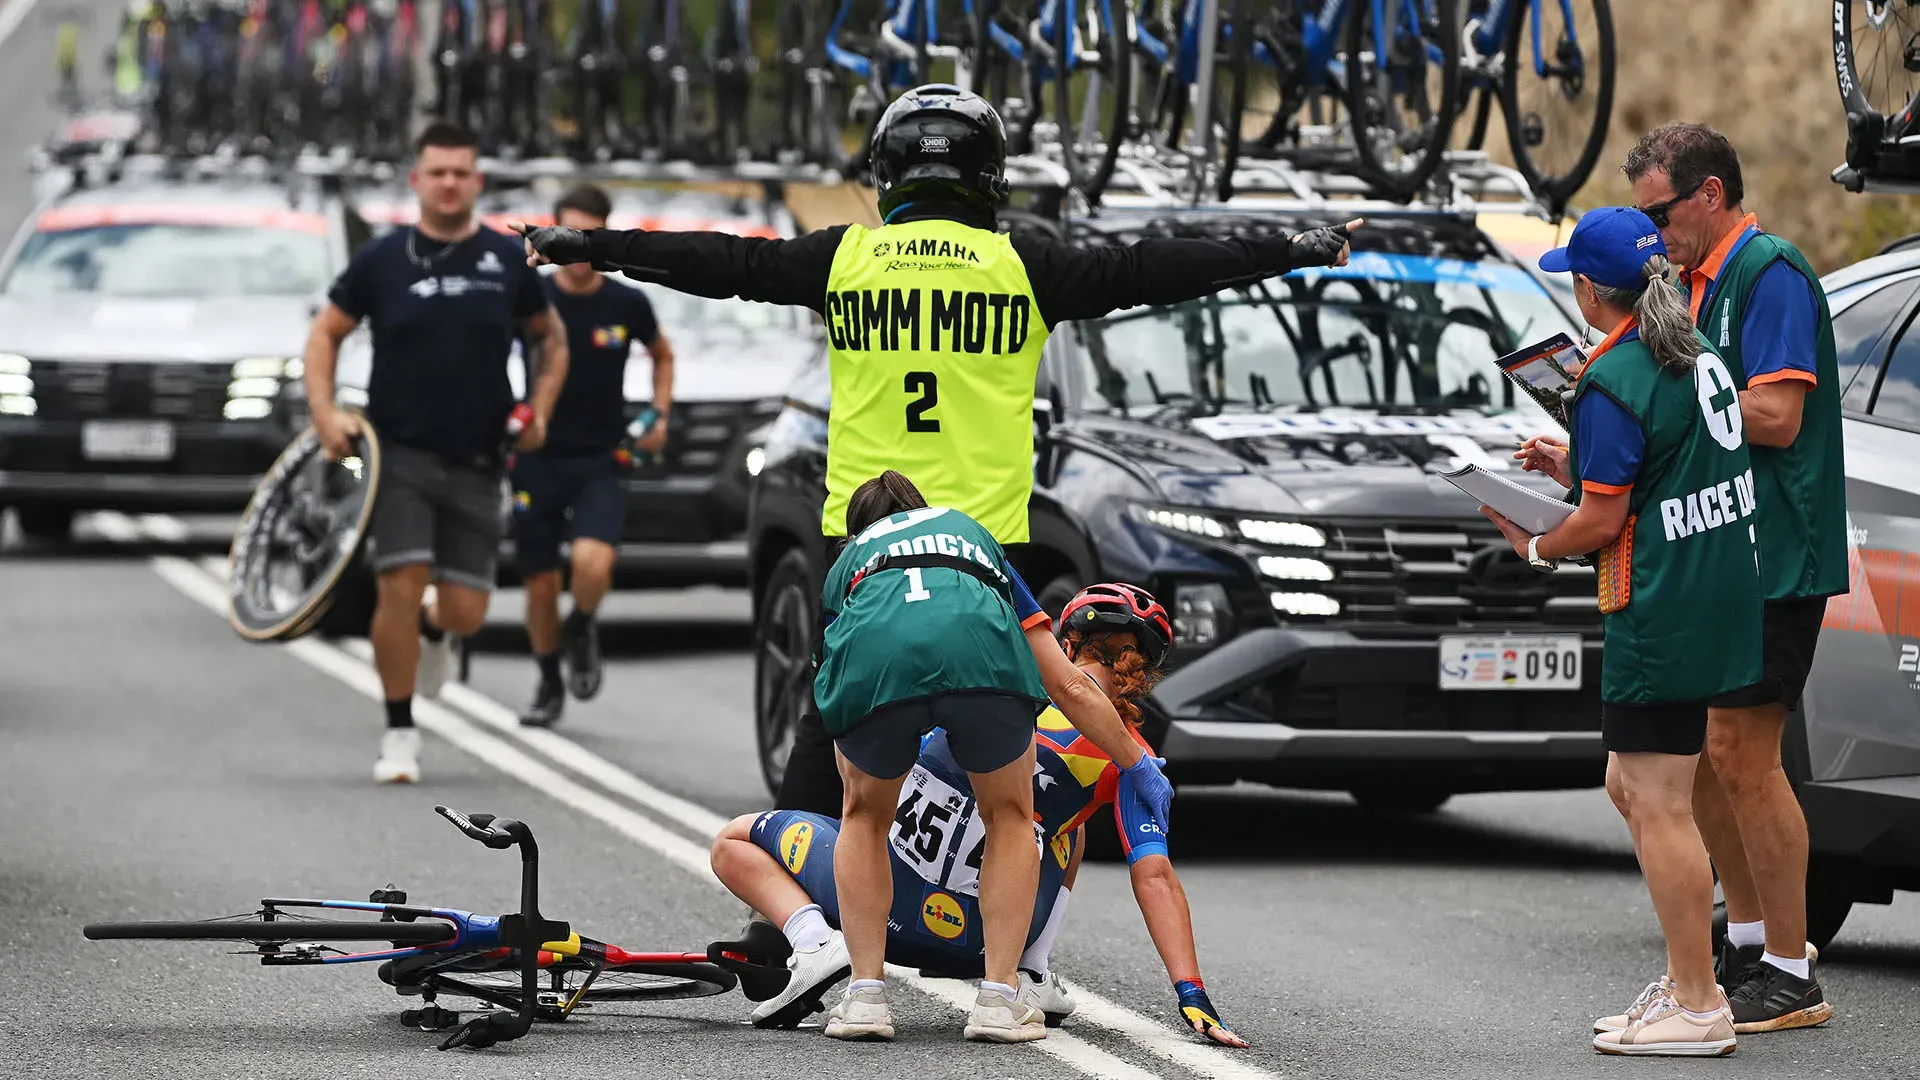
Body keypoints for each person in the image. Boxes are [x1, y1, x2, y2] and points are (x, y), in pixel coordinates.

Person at [513, 83, 1360, 819]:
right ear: (988, 177)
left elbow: (721, 262)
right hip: (988, 546)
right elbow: (1155, 269)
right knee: (1002, 758)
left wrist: (593, 248)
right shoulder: (1022, 265)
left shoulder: (845, 259)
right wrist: (1285, 251)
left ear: (887, 178)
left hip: (872, 542)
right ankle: (1005, 957)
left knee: (837, 724)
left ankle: (788, 922)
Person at [710, 581, 1249, 1049]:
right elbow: (1154, 876)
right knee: (1066, 827)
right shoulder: (1130, 757)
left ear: (1066, 643)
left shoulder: (993, 682)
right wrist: (1191, 992)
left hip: (874, 913)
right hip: (979, 941)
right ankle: (1028, 973)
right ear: (1144, 674)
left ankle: (816, 943)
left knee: (735, 840)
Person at [745, 470, 1155, 1042]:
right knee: (1011, 818)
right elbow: (1068, 685)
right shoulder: (971, 535)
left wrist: (868, 769)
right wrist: (1135, 762)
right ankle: (998, 1000)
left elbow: (830, 689)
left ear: (855, 532)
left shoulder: (849, 564)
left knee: (863, 818)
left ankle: (865, 997)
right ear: (923, 509)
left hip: (879, 664)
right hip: (981, 659)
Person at [1487, 207, 1762, 1057]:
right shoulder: (1693, 351)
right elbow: (1666, 462)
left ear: (1584, 289)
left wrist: (1533, 538)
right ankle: (1692, 984)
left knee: (1656, 799)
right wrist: (1578, 465)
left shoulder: (1610, 378)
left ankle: (1699, 1000)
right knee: (1630, 784)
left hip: (1661, 602)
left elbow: (1601, 523)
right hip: (1720, 587)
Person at [1623, 122, 1847, 1033]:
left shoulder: (1771, 271)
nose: (1653, 233)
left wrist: (1672, 398)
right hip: (1722, 554)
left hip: (1777, 555)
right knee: (1713, 759)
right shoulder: (1691, 284)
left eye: (1661, 212)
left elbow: (1779, 414)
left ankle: (1792, 969)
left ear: (1710, 194)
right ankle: (1749, 945)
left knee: (1749, 760)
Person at [303, 120, 569, 783]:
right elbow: (325, 334)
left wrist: (538, 410)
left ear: (476, 182)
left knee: (464, 610)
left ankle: (434, 630)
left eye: (461, 172)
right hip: (400, 455)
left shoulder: (507, 259)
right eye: (437, 172)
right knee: (398, 582)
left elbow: (551, 340)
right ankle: (399, 734)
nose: (449, 183)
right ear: (417, 180)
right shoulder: (382, 259)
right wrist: (324, 410)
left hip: (480, 457)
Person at [512, 183, 675, 727]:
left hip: (601, 456)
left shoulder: (627, 301)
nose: (573, 248)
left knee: (592, 562)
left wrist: (659, 414)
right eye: (564, 234)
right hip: (536, 456)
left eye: (585, 236)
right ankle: (548, 681)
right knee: (539, 584)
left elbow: (662, 354)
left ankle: (580, 626)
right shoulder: (531, 295)